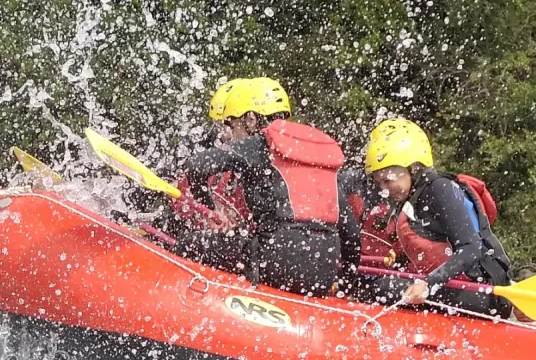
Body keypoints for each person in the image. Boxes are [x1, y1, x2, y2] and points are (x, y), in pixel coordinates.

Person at [166, 77, 349, 295]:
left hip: (273, 261)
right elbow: (351, 234)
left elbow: (195, 166)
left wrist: (211, 209)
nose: (228, 135)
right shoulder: (315, 157)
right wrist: (347, 281)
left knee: (189, 243)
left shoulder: (257, 146)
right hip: (323, 273)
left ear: (251, 119)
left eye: (231, 125)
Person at [341, 118, 512, 312]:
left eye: (388, 181)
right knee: (369, 284)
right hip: (457, 289)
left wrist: (429, 284)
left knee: (381, 288)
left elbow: (471, 249)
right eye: (379, 183)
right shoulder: (412, 198)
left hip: (483, 293)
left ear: (413, 168)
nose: (384, 190)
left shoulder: (440, 189)